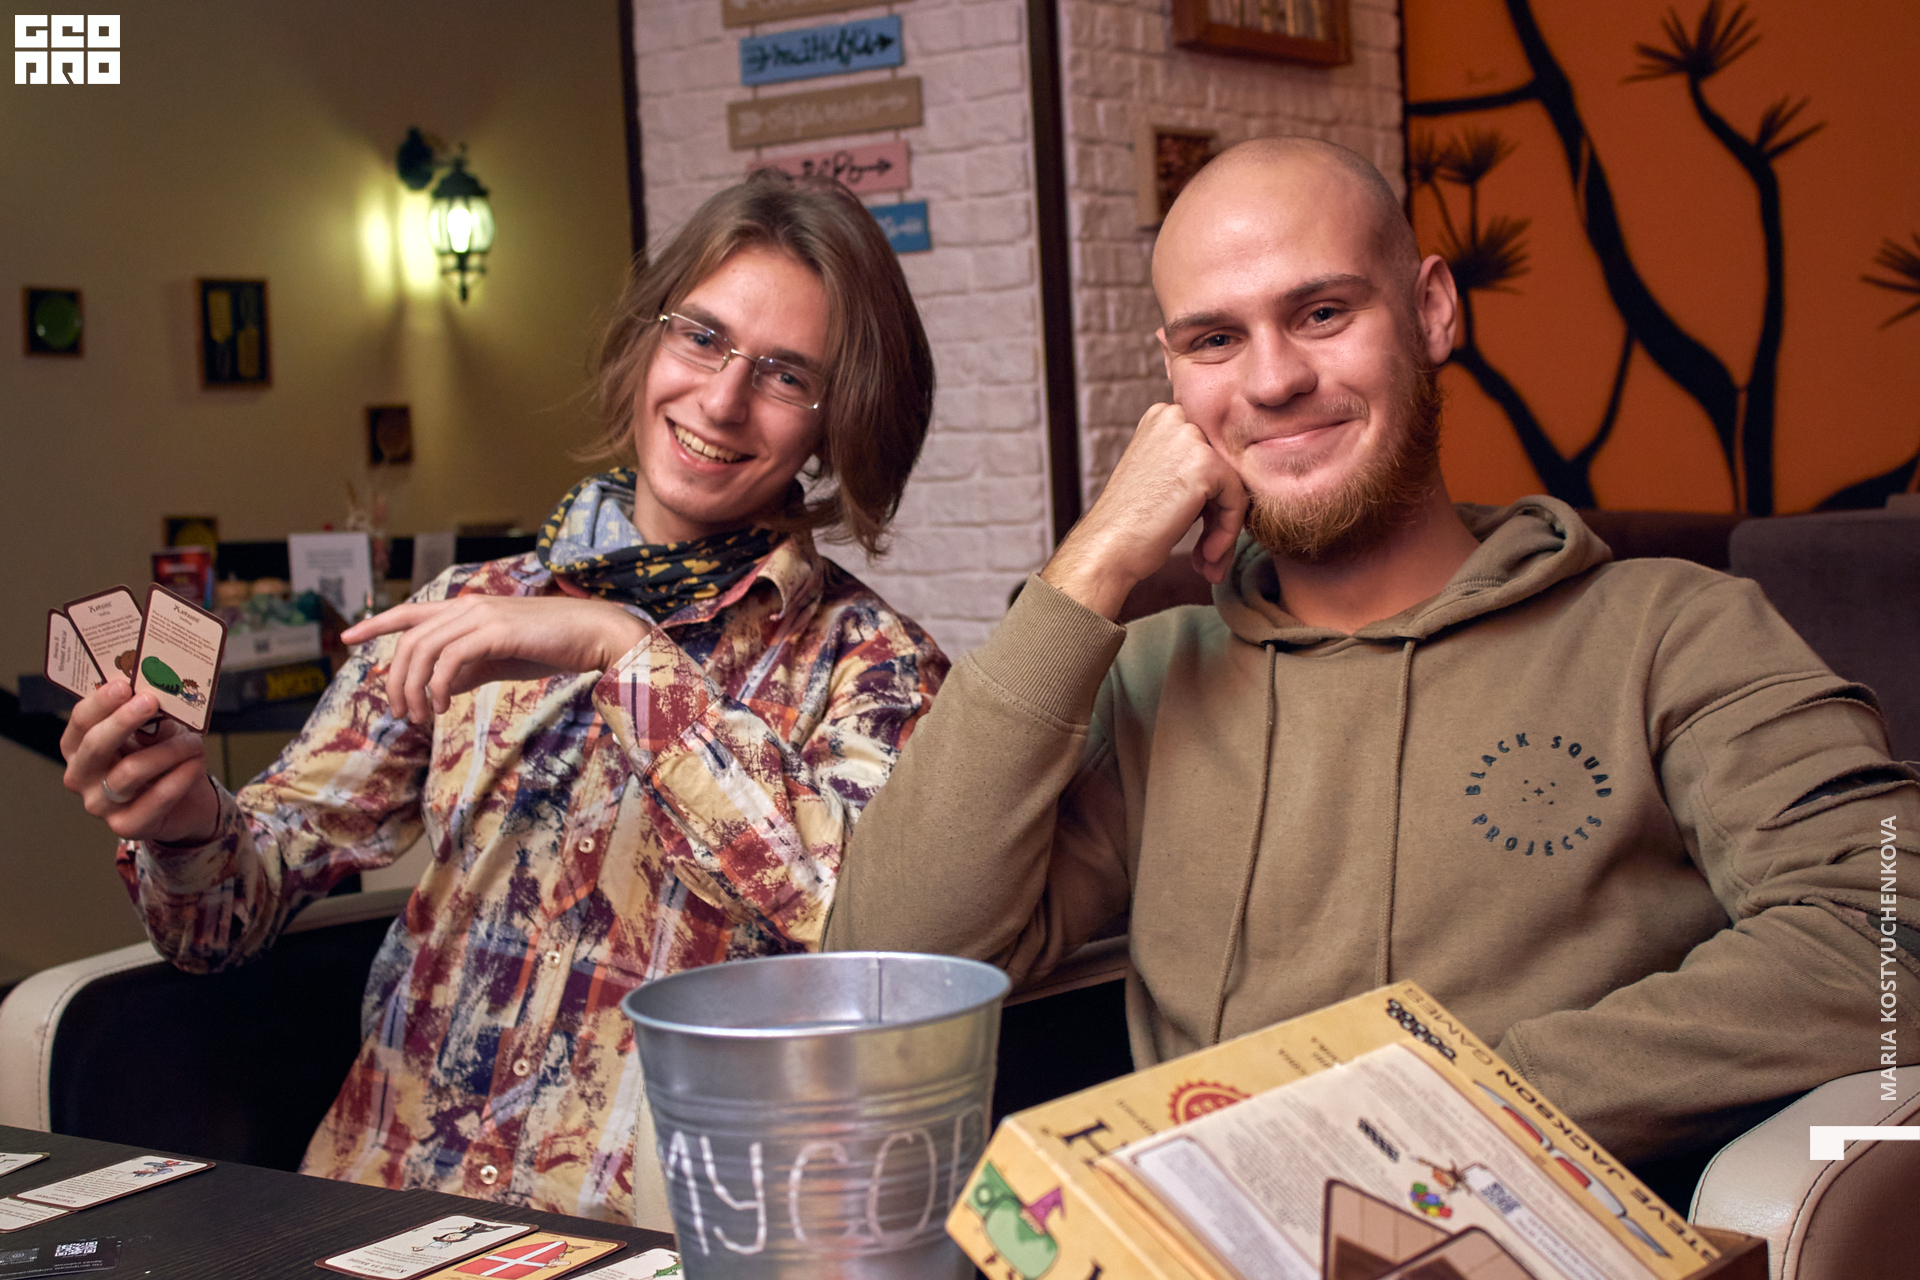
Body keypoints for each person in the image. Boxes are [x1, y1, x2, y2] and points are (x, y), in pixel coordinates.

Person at [823, 137, 1918, 1167]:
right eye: (1215, 340)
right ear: (1173, 376)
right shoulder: (1151, 674)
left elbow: (1887, 941)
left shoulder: (1675, 631)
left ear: (1432, 310)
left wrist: (1436, 1120)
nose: (1272, 381)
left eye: (1322, 313)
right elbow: (889, 977)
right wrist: (1093, 562)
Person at [60, 170, 948, 1224]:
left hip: (628, 1241)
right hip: (378, 1211)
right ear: (646, 342)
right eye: (703, 337)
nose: (721, 400)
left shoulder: (877, 666)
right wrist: (183, 824)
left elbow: (845, 922)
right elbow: (222, 921)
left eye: (786, 374)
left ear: (837, 425)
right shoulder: (466, 609)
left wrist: (619, 648)